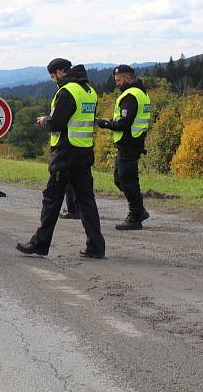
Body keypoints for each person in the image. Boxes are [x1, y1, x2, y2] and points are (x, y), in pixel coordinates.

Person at [16, 58, 106, 259]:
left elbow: (56, 123)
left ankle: (39, 244)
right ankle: (96, 246)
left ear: (59, 72)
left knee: (52, 200)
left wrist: (44, 121)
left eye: (52, 76)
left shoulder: (66, 92)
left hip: (65, 154)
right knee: (86, 201)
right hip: (84, 153)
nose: (52, 80)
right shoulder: (89, 91)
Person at [97, 64, 151, 230]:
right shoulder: (141, 93)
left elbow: (124, 123)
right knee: (119, 179)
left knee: (128, 180)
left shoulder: (130, 96)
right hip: (130, 143)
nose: (117, 83)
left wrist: (106, 123)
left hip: (129, 143)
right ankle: (139, 210)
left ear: (128, 78)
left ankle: (135, 216)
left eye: (118, 80)